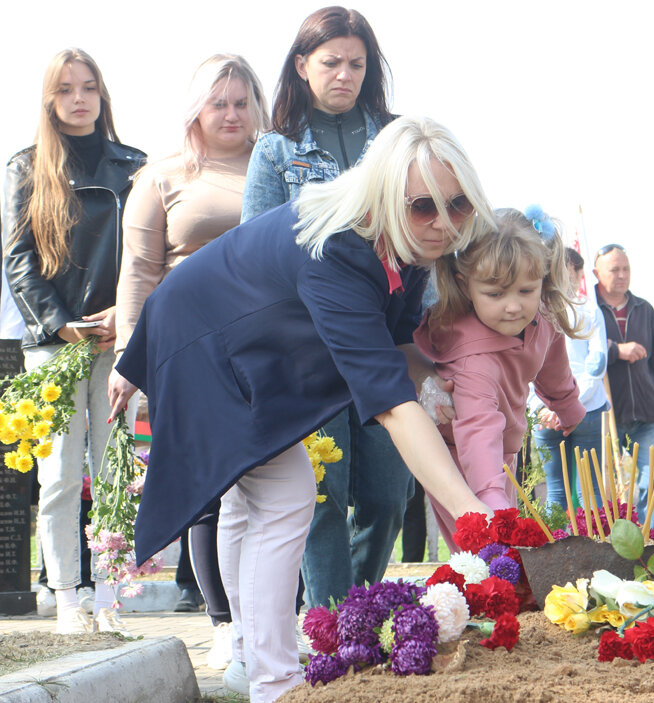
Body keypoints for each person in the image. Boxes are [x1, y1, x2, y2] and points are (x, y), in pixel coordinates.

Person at [109, 116, 496, 703]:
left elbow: (395, 348)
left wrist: (438, 381)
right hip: (202, 342)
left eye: (459, 204)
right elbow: (391, 404)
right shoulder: (339, 248)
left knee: (250, 501)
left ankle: (248, 659)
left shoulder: (409, 245)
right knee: (286, 492)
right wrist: (471, 512)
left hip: (245, 347)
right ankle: (275, 682)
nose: (444, 223)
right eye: (425, 207)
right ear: (386, 194)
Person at [240, 6, 413, 617]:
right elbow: (256, 253)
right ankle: (335, 627)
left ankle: (357, 609)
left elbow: (425, 233)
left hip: (382, 340)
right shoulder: (275, 150)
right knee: (323, 495)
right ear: (301, 66)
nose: (345, 75)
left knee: (389, 494)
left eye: (357, 64)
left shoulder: (397, 140)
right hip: (308, 348)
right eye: (331, 62)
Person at [108, 53, 269, 670]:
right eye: (217, 102)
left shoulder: (278, 166)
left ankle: (269, 620)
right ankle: (223, 624)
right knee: (209, 488)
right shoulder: (161, 176)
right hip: (187, 346)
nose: (230, 114)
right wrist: (129, 357)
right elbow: (139, 272)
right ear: (195, 109)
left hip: (269, 346)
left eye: (241, 102)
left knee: (272, 488)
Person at [2, 48, 145, 635]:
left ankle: (109, 593)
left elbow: (147, 253)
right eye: (65, 89)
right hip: (54, 344)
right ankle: (65, 594)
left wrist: (124, 316)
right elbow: (18, 259)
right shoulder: (26, 167)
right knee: (59, 475)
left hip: (116, 339)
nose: (79, 99)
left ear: (102, 95)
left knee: (114, 470)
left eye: (88, 87)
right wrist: (61, 324)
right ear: (49, 99)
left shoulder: (134, 166)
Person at [414, 206, 587, 551]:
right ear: (465, 285)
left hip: (504, 450)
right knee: (481, 551)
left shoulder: (543, 317)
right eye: (495, 294)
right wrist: (492, 501)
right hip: (458, 457)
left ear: (543, 281)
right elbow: (478, 431)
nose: (513, 306)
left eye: (526, 290)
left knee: (504, 551)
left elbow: (553, 366)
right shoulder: (473, 361)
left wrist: (568, 407)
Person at [593, 244, 654, 532]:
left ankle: (651, 543)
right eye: (614, 269)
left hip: (646, 417)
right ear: (596, 273)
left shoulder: (644, 309)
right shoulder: (588, 310)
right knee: (605, 492)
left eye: (626, 268)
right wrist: (616, 350)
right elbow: (577, 353)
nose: (622, 275)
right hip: (604, 418)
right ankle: (611, 547)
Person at [531, 247, 609, 510]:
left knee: (556, 492)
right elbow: (597, 364)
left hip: (548, 411)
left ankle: (556, 537)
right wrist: (568, 404)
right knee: (590, 491)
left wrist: (545, 406)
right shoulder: (588, 309)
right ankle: (596, 537)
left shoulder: (533, 307)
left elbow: (527, 366)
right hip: (585, 408)